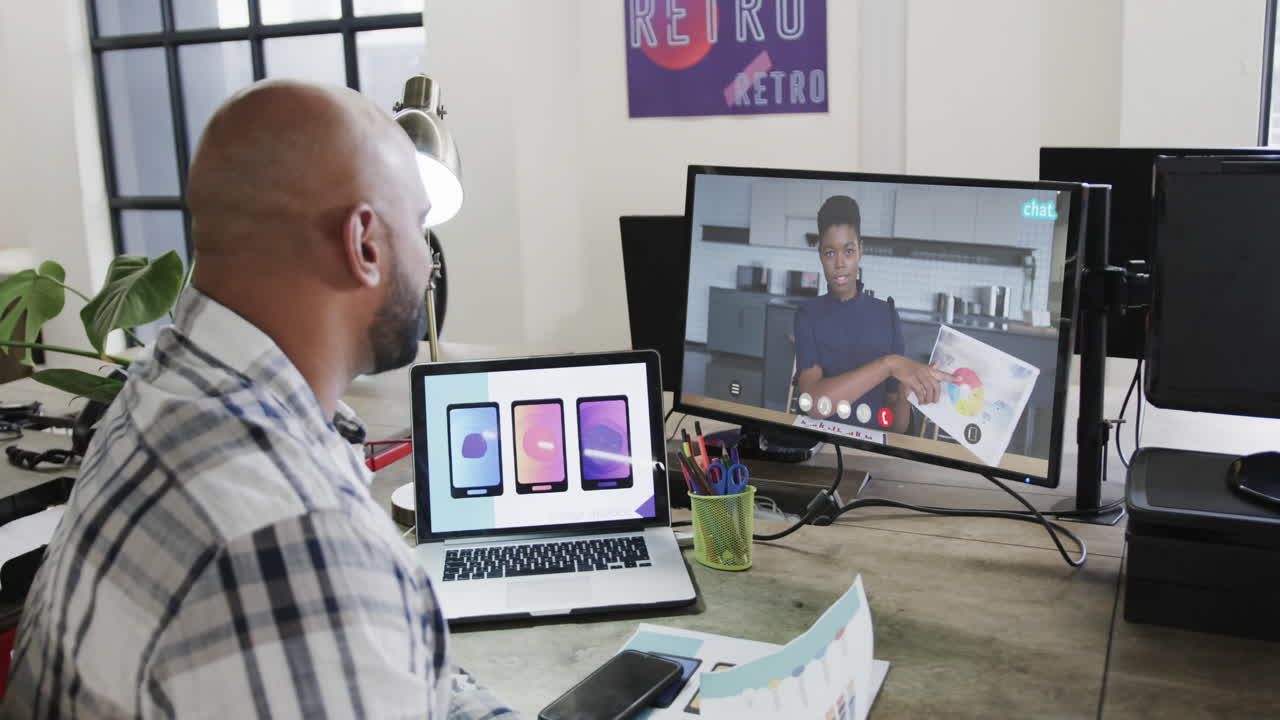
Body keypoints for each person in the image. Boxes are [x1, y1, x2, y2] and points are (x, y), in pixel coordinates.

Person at [1, 80, 516, 719]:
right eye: (416, 225)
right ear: (363, 243)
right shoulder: (296, 541)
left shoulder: (159, 394)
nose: (429, 263)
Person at [794, 195, 956, 433]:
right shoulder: (808, 315)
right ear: (820, 256)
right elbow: (814, 405)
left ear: (860, 250)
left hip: (872, 450)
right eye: (830, 253)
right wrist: (889, 365)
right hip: (822, 445)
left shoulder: (887, 315)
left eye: (848, 251)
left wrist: (906, 395)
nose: (839, 263)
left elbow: (897, 426)